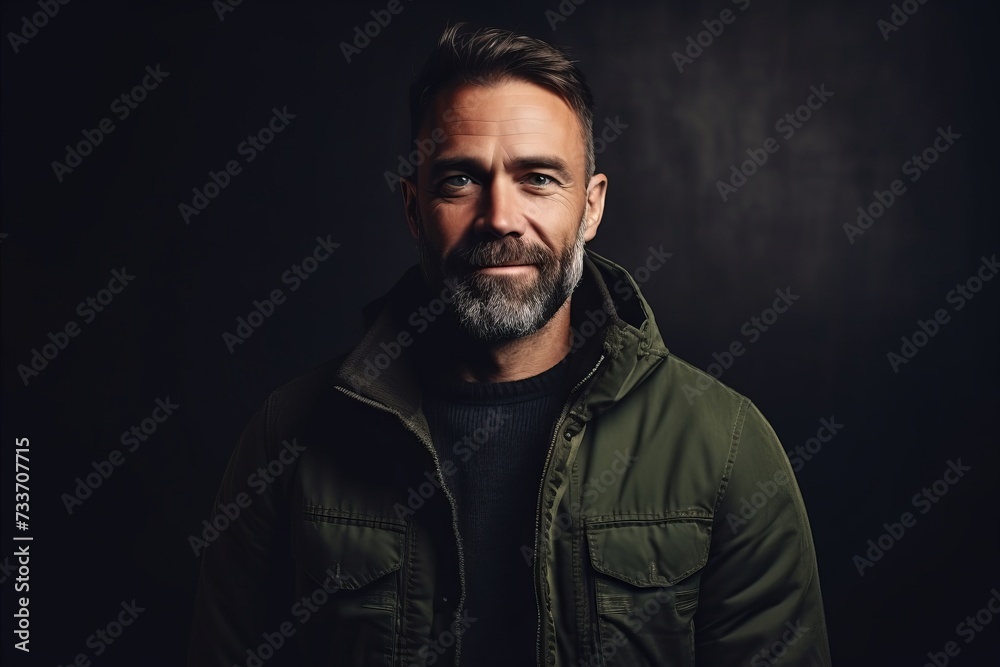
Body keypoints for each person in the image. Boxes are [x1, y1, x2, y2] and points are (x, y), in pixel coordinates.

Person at [188, 23, 832, 667]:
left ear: (591, 206)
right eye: (460, 180)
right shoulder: (289, 438)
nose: (499, 216)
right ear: (414, 210)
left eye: (540, 179)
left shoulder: (725, 447)